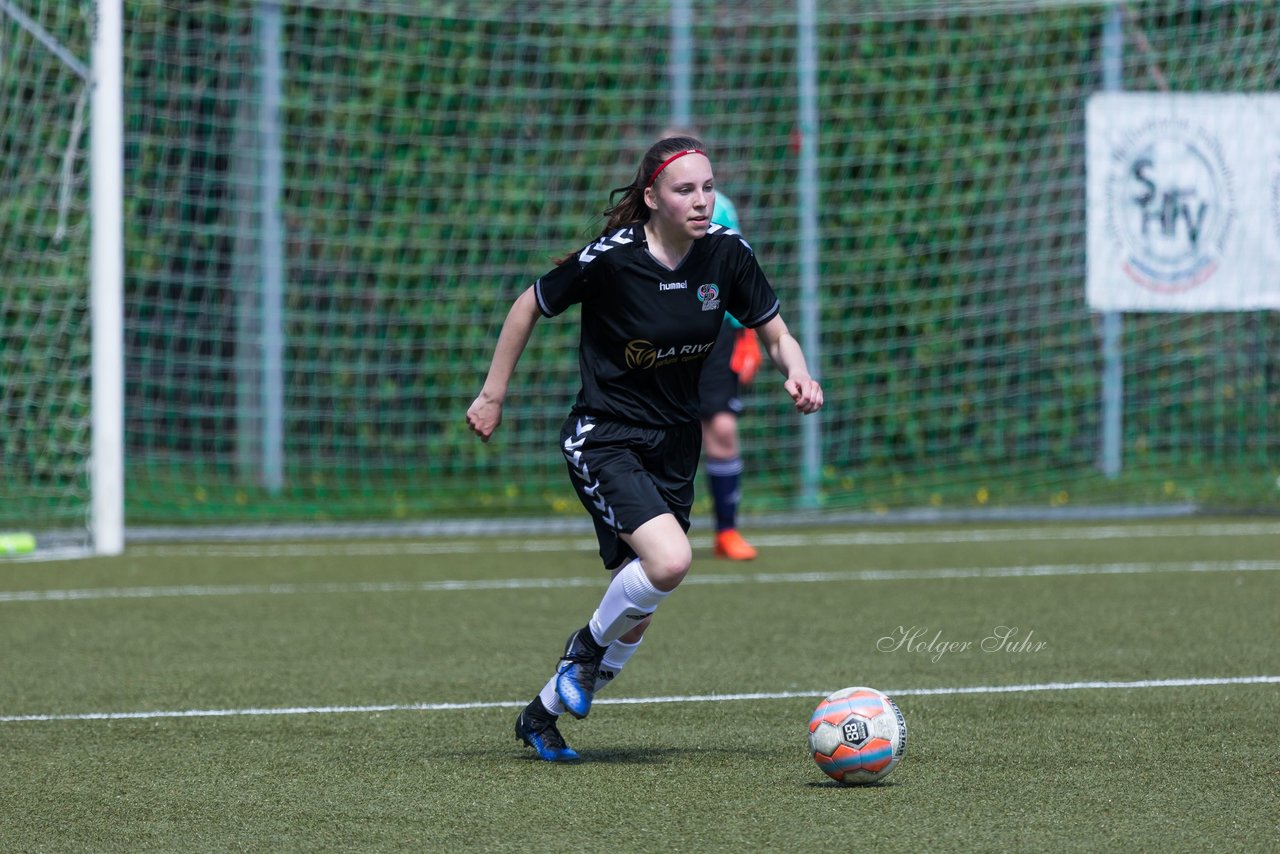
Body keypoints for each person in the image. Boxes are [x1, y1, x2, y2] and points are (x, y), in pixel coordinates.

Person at [466, 135, 823, 762]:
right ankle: (581, 653)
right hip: (605, 435)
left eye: (708, 187)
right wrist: (493, 395)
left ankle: (540, 715)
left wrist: (795, 368)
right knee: (669, 563)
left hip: (674, 443)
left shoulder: (726, 256)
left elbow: (775, 331)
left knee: (645, 601)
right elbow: (529, 304)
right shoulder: (613, 258)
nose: (701, 200)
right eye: (685, 190)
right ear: (652, 197)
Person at [697, 189, 764, 560]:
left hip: (717, 332)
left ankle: (727, 531)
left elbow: (739, 271)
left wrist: (747, 334)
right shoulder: (641, 211)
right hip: (659, 331)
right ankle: (642, 533)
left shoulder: (721, 206)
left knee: (722, 428)